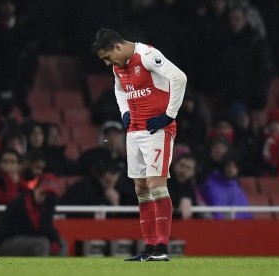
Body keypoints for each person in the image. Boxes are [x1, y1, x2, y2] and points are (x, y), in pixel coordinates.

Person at [92, 28, 187, 261]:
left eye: (107, 57)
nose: (107, 63)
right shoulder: (118, 66)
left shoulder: (146, 55)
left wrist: (169, 115)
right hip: (134, 131)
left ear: (116, 47)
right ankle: (150, 248)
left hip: (157, 129)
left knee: (156, 184)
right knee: (141, 189)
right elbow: (118, 89)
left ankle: (163, 249)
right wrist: (124, 112)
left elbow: (179, 78)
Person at [0, 173, 65, 256]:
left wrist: (55, 240)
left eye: (49, 196)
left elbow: (48, 226)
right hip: (3, 243)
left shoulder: (45, 205)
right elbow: (35, 230)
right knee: (41, 244)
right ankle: (39, 271)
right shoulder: (24, 202)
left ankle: (57, 270)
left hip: (23, 239)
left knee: (61, 244)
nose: (44, 198)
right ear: (35, 189)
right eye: (42, 193)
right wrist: (51, 238)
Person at [199, 154, 253, 220]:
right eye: (228, 165)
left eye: (235, 166)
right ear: (223, 166)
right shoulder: (210, 185)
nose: (231, 169)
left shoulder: (237, 187)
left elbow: (246, 214)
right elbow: (216, 212)